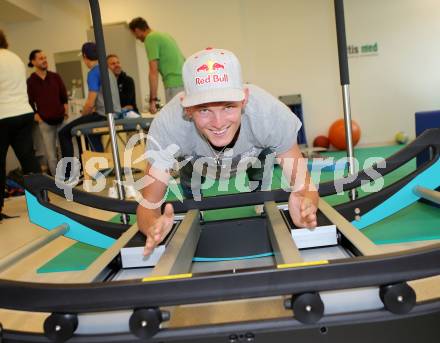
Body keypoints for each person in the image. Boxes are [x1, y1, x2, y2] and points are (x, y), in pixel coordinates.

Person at [136, 48, 319, 256]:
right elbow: (148, 207)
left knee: (263, 159)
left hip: (252, 157)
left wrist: (307, 205)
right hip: (195, 161)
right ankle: (193, 202)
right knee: (187, 171)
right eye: (204, 109)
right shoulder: (168, 126)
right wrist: (152, 226)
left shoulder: (269, 114)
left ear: (244, 99)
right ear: (186, 108)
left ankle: (259, 192)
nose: (218, 123)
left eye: (228, 107)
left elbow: (305, 187)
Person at [58, 42, 121, 179]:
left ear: (85, 56)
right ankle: (99, 167)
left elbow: (90, 101)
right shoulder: (106, 69)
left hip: (103, 115)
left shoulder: (93, 72)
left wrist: (84, 113)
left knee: (64, 132)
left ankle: (68, 175)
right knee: (87, 131)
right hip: (115, 113)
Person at [0, 30, 41, 220]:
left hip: (3, 114)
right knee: (28, 158)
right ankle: (41, 198)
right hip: (23, 112)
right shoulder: (14, 57)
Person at [129, 17, 185, 113]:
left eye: (134, 34)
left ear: (137, 31)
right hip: (184, 82)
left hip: (174, 84)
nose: (136, 38)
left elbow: (153, 71)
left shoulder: (150, 38)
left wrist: (153, 101)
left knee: (175, 120)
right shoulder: (163, 35)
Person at [27, 49, 68, 176]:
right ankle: (57, 181)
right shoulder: (31, 81)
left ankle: (68, 177)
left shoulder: (55, 77)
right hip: (45, 122)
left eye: (45, 57)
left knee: (64, 151)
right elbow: (28, 100)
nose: (44, 60)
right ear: (33, 62)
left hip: (61, 119)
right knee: (50, 155)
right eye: (40, 58)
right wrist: (36, 115)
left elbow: (64, 96)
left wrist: (65, 109)